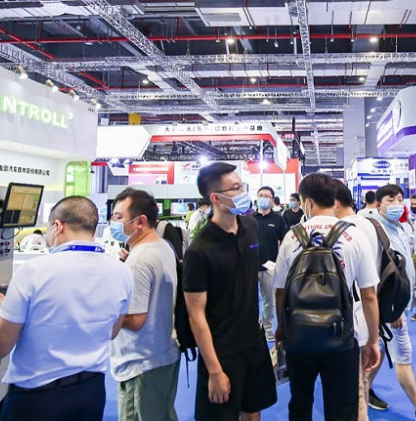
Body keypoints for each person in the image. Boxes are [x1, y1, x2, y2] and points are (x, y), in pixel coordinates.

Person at [0, 196, 133, 421]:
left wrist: (4, 315)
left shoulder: (33, 271)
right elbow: (112, 332)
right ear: (93, 229)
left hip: (37, 399)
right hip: (91, 393)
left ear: (57, 226)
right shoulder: (122, 272)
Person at [274, 173, 381, 421]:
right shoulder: (354, 235)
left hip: (299, 337)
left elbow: (280, 291)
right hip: (341, 337)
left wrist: (282, 327)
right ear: (334, 200)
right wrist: (373, 341)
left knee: (300, 403)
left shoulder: (292, 236)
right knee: (342, 408)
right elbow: (369, 295)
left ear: (308, 202)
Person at [183, 162, 277, 421]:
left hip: (254, 342)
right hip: (221, 351)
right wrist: (214, 371)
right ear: (216, 198)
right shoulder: (199, 251)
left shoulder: (250, 227)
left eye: (242, 185)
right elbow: (196, 316)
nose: (243, 192)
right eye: (236, 188)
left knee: (253, 411)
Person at [109, 188, 180, 421]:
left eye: (118, 217)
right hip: (162, 353)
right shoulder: (162, 246)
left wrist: (102, 313)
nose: (113, 222)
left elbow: (136, 319)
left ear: (139, 221)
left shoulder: (139, 259)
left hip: (141, 363)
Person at [370, 184, 416, 421]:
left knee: (378, 352)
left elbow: (402, 264)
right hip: (389, 308)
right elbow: (375, 275)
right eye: (391, 200)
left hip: (398, 302)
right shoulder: (374, 230)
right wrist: (393, 308)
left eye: (400, 199)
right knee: (402, 356)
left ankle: (362, 391)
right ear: (379, 204)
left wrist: (411, 292)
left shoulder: (400, 226)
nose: (397, 204)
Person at [331, 181, 388, 418]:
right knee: (360, 382)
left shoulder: (347, 230)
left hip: (354, 312)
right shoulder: (370, 224)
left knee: (354, 388)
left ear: (334, 202)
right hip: (367, 311)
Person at [253, 186, 288, 341]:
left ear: (272, 200)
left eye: (267, 196)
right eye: (261, 195)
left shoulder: (278, 219)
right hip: (251, 266)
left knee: (270, 301)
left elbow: (285, 241)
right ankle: (253, 328)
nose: (263, 198)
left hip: (270, 266)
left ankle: (267, 328)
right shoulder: (250, 219)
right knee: (249, 300)